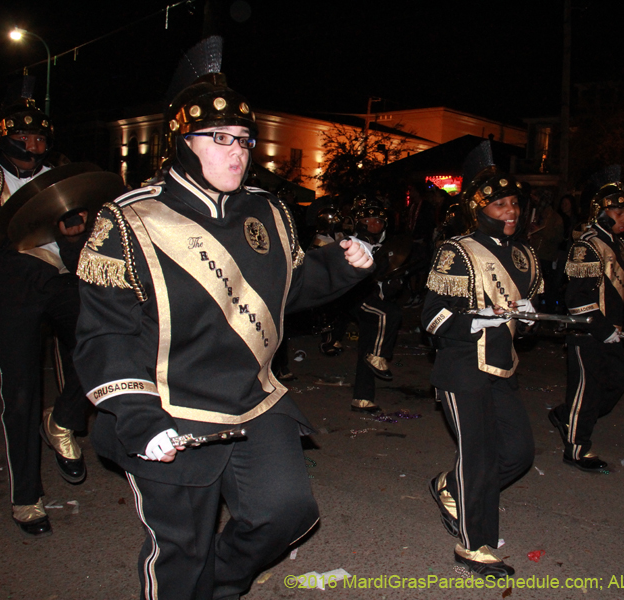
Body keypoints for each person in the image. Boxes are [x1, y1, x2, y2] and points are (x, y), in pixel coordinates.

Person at [73, 36, 373, 600]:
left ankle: (220, 586)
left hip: (253, 399)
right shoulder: (130, 219)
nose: (236, 151)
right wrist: (139, 418)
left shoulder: (267, 209)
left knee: (286, 514)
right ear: (181, 141)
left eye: (243, 139)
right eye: (218, 138)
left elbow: (286, 291)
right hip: (170, 405)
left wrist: (343, 266)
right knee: (179, 551)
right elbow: (105, 335)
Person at [0, 79, 89, 537]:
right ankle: (26, 497)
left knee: (103, 344)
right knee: (22, 395)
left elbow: (82, 238)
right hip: (11, 292)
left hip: (59, 281)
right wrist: (16, 217)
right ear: (5, 137)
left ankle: (63, 420)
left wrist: (74, 231)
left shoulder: (60, 174)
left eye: (40, 139)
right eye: (24, 139)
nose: (33, 146)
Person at [422, 141, 540, 577]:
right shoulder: (457, 250)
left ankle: (450, 486)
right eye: (500, 204)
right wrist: (475, 321)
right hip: (460, 368)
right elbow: (432, 317)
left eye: (514, 203)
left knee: (519, 452)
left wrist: (526, 320)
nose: (510, 211)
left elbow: (524, 324)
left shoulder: (525, 254)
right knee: (480, 457)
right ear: (478, 207)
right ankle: (475, 546)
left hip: (503, 366)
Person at [549, 183, 624, 472]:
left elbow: (614, 284)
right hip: (588, 331)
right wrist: (601, 328)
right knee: (586, 392)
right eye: (619, 211)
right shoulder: (587, 245)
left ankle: (567, 415)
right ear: (600, 214)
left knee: (617, 382)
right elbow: (576, 298)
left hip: (610, 329)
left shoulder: (618, 243)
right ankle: (576, 448)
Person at [347, 194, 403, 413]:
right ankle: (378, 355)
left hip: (373, 299)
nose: (374, 224)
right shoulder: (354, 243)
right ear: (360, 222)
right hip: (355, 298)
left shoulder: (386, 244)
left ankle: (362, 398)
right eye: (369, 220)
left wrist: (395, 277)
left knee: (369, 342)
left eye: (379, 221)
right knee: (390, 314)